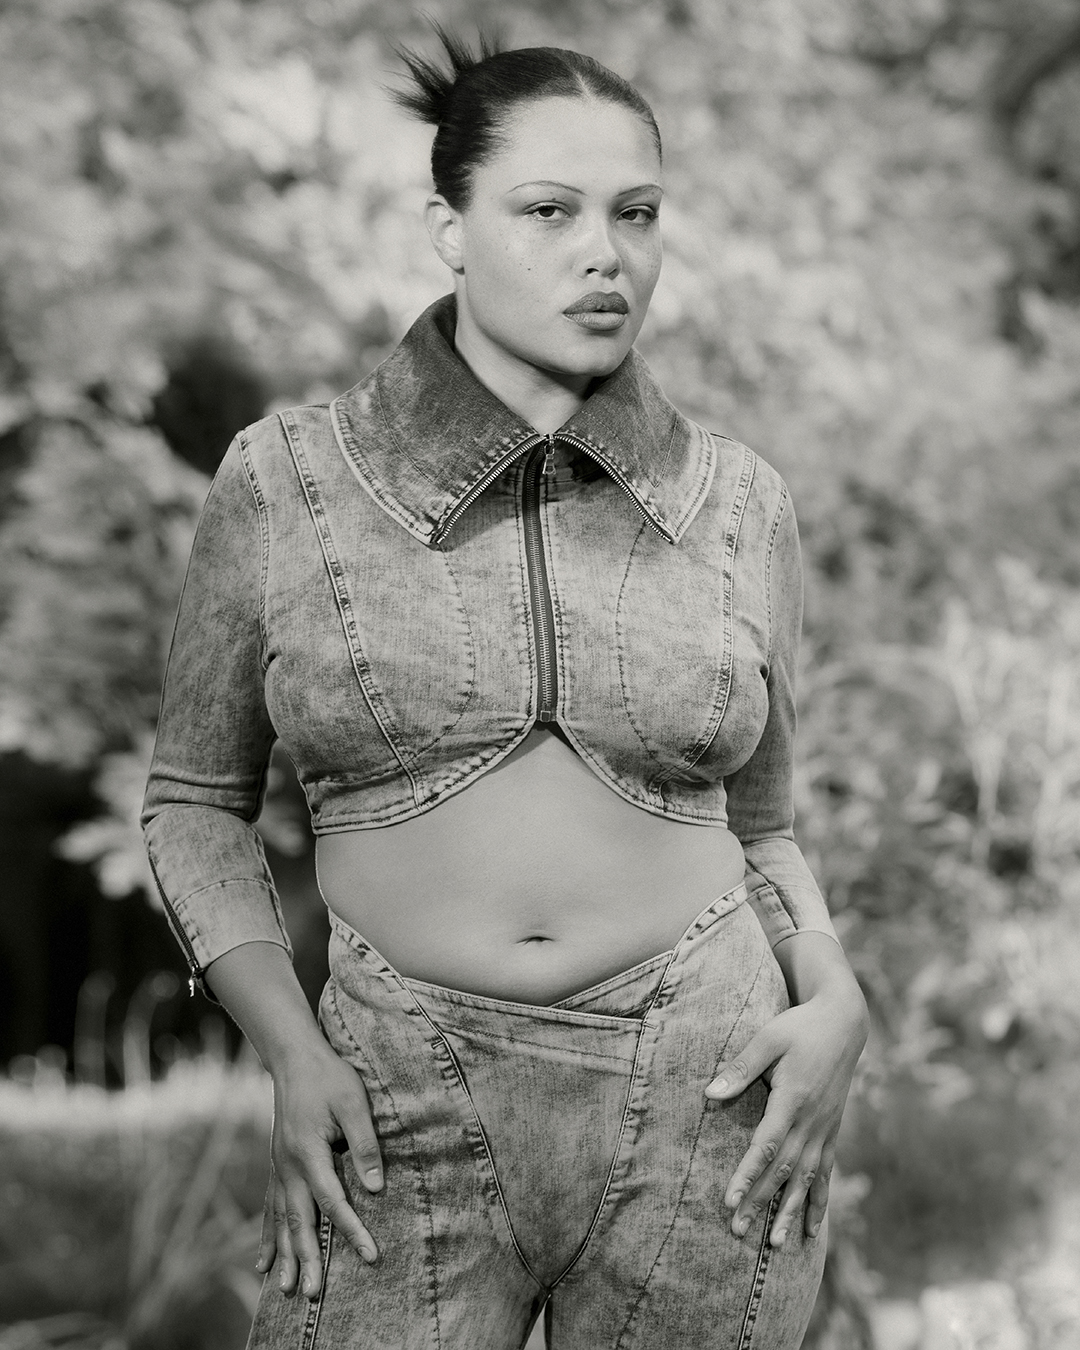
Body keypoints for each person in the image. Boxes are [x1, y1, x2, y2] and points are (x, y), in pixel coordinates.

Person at [142, 30, 869, 1350]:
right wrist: (290, 1049)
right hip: (390, 1104)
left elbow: (763, 831)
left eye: (636, 214)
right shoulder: (287, 481)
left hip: (712, 1104)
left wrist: (835, 993)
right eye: (549, 211)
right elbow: (196, 804)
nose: (607, 254)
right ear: (450, 229)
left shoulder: (742, 500)